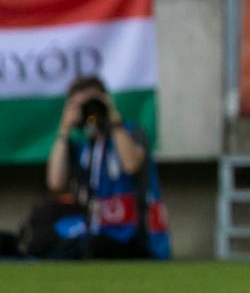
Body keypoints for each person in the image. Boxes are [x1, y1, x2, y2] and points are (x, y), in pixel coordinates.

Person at [46, 75, 170, 259]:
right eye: (83, 106)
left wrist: (113, 121)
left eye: (93, 103)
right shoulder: (83, 144)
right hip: (95, 231)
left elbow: (131, 165)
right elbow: (55, 183)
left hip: (134, 235)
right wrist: (64, 130)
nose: (91, 112)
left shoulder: (130, 132)